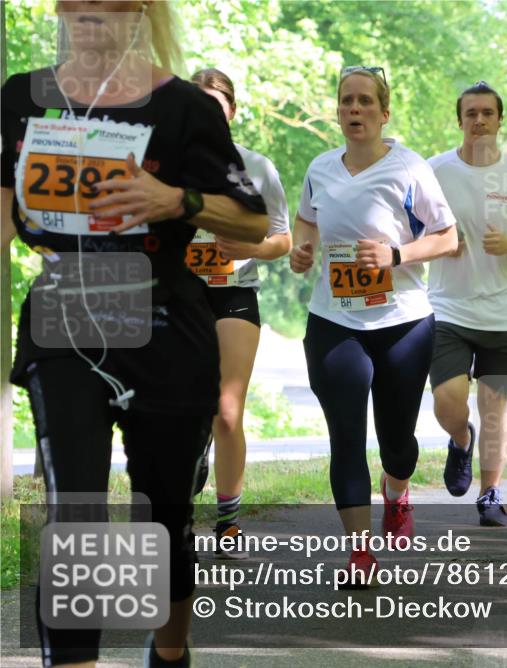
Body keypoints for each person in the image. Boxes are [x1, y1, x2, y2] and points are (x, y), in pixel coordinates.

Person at [1, 2, 269, 666]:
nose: (90, 11)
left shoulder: (184, 108)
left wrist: (178, 201)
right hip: (64, 313)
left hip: (165, 323)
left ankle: (171, 649)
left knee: (163, 519)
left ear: (140, 13)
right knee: (76, 515)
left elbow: (254, 222)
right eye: (76, 0)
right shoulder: (20, 98)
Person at [290, 66, 457, 581]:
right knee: (345, 434)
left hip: (403, 321)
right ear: (338, 111)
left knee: (397, 442)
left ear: (384, 114)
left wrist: (396, 254)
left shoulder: (409, 168)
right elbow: (307, 220)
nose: (354, 110)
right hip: (334, 319)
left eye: (365, 102)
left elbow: (448, 237)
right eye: (347, 101)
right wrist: (303, 248)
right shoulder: (320, 167)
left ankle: (397, 487)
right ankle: (359, 553)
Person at [427, 81, 507, 526]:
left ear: (500, 120)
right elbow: (406, 225)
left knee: (495, 409)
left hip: (504, 313)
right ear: (459, 119)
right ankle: (460, 439)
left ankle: (490, 494)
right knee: (448, 401)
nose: (479, 120)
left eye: (487, 112)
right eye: (471, 113)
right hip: (448, 307)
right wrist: (437, 241)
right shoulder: (434, 171)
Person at [189, 68, 291, 557]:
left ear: (232, 110)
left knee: (226, 412)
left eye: (217, 103)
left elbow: (282, 239)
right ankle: (184, 494)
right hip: (179, 295)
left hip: (234, 290)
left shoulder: (257, 167)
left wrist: (250, 242)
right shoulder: (167, 165)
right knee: (184, 411)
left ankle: (227, 520)